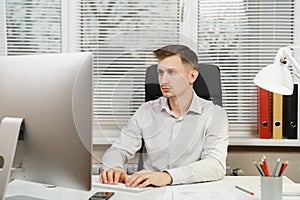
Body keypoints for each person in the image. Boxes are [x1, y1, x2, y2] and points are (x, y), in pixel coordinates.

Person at [100, 44, 229, 188]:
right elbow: (118, 149)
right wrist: (115, 167)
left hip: (193, 191)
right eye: (160, 73)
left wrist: (168, 176)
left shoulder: (215, 115)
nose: (163, 80)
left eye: (171, 72)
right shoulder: (146, 111)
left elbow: (215, 165)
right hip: (149, 192)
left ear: (192, 76)